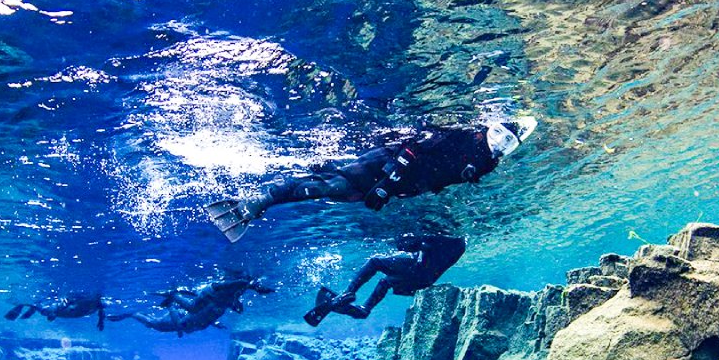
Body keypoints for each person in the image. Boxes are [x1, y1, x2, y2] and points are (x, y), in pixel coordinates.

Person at [205, 117, 535, 242]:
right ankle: (257, 201)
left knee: (331, 189)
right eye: (499, 135)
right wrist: (387, 184)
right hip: (385, 166)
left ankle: (271, 194)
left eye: (507, 143)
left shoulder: (485, 163)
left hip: (395, 184)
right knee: (328, 186)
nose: (498, 144)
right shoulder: (462, 137)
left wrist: (392, 189)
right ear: (489, 128)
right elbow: (413, 147)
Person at [304, 234, 466, 326]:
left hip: (418, 271)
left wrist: (406, 241)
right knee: (385, 282)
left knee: (375, 262)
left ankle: (348, 293)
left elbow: (411, 245)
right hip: (424, 281)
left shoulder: (438, 237)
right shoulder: (457, 242)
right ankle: (364, 309)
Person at [105, 273, 275, 336]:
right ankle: (171, 296)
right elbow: (227, 288)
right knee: (156, 323)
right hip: (208, 296)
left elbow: (206, 315)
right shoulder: (188, 322)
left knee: (160, 323)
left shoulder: (196, 322)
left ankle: (172, 296)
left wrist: (216, 322)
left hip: (208, 300)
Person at [5, 295, 110, 329]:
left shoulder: (96, 307)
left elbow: (101, 309)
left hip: (66, 311)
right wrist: (100, 321)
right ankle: (25, 307)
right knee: (43, 310)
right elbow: (70, 302)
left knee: (43, 310)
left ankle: (28, 308)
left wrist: (101, 321)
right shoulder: (90, 304)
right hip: (64, 310)